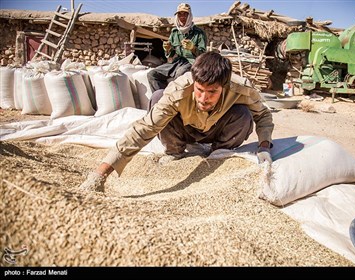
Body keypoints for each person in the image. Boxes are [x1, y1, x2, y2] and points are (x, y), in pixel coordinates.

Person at [80, 51, 274, 192]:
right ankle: (175, 151)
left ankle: (218, 153)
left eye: (212, 92)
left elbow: (263, 115)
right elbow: (145, 128)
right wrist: (101, 173)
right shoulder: (179, 90)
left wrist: (264, 146)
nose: (203, 98)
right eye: (200, 90)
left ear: (224, 86)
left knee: (244, 115)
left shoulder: (241, 89)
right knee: (157, 98)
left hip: (218, 130)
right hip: (185, 130)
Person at [147, 3, 207, 92]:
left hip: (192, 63)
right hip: (177, 63)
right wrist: (167, 49)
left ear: (190, 15)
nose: (182, 17)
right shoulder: (175, 32)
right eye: (180, 14)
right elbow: (171, 54)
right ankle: (161, 98)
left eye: (185, 14)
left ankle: (176, 101)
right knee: (152, 74)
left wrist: (193, 48)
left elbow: (203, 56)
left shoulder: (199, 33)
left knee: (179, 75)